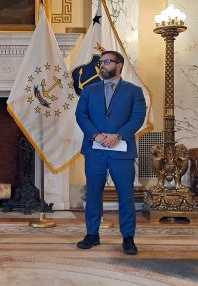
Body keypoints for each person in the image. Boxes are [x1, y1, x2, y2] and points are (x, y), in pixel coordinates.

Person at [75, 50, 146, 255]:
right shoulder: (89, 90)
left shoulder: (134, 91)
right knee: (93, 194)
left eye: (107, 62)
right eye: (101, 62)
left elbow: (137, 117)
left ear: (119, 65)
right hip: (95, 151)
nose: (102, 65)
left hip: (122, 152)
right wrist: (96, 135)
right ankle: (92, 234)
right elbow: (81, 115)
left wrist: (118, 135)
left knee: (126, 196)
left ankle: (128, 238)